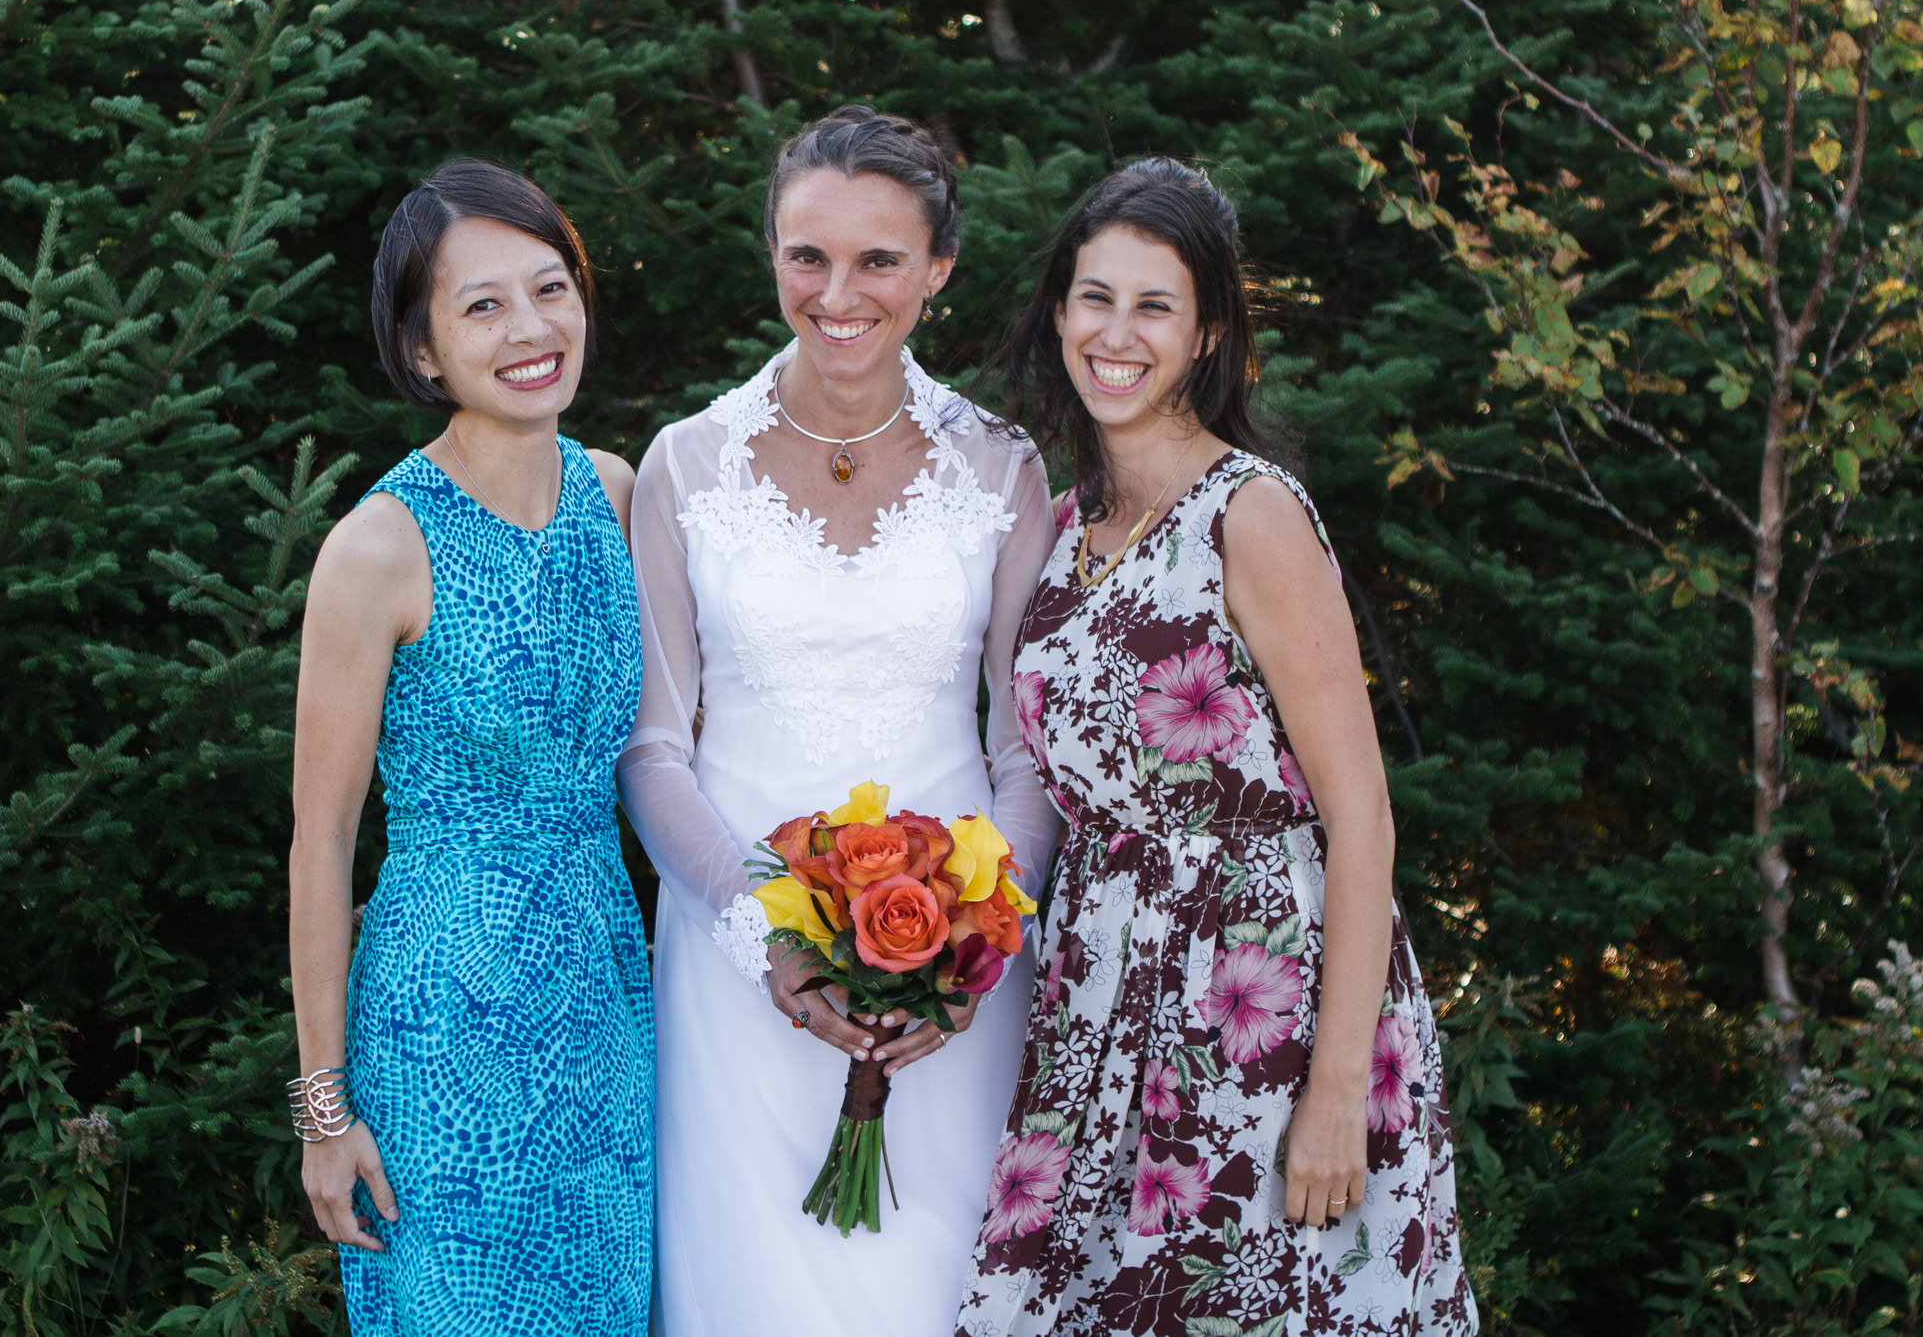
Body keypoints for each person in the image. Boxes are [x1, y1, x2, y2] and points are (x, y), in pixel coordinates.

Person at [954, 159, 1475, 1337]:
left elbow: (1360, 815)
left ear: (1207, 334)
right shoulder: (1064, 524)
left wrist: (1337, 1085)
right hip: (1098, 996)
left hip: (1260, 1002)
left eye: (1154, 306)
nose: (1115, 333)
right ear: (1058, 309)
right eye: (1094, 297)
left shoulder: (1252, 512)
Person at [618, 104, 1063, 1337]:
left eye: (878, 258)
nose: (838, 291)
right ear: (770, 251)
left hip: (961, 978)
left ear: (938, 270)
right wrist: (769, 932)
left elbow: (1024, 748)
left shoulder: (1000, 466)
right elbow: (654, 745)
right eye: (806, 254)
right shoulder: (686, 464)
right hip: (737, 962)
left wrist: (979, 940)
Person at [287, 160, 654, 1336]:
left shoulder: (617, 490)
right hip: (442, 1019)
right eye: (482, 304)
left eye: (550, 288)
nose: (531, 328)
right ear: (425, 349)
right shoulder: (378, 545)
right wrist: (323, 1109)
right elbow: (321, 840)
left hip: (603, 994)